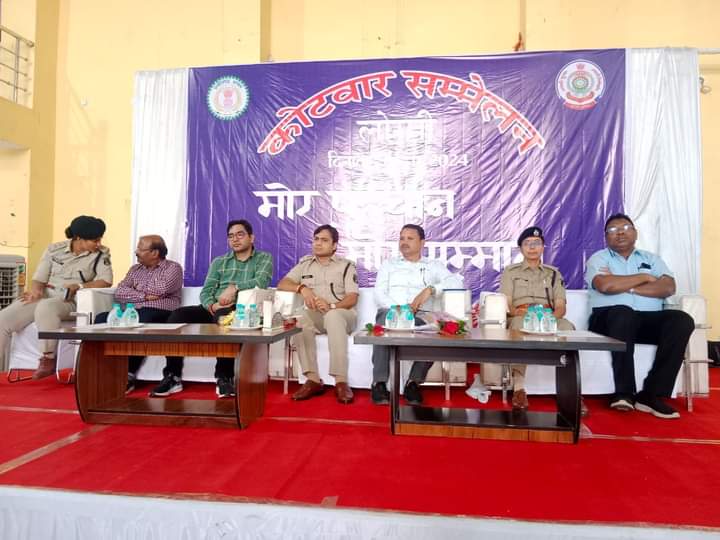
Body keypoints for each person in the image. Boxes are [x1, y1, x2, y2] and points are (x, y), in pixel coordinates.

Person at [585, 213, 694, 419]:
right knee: (623, 313)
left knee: (681, 320)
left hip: (645, 319)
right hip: (606, 320)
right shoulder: (599, 258)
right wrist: (644, 277)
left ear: (635, 233)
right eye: (613, 230)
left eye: (625, 228)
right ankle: (624, 393)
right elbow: (606, 285)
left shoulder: (651, 259)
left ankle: (651, 395)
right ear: (606, 237)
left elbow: (668, 287)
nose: (620, 233)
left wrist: (627, 286)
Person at [149, 219, 273, 399]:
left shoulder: (264, 258)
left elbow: (261, 282)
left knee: (224, 318)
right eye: (231, 236)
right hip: (214, 307)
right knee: (177, 316)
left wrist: (234, 288)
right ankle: (172, 376)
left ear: (251, 238)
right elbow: (206, 291)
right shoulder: (219, 262)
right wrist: (212, 305)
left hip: (242, 310)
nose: (235, 239)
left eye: (240, 235)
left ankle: (224, 377)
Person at [0, 215, 112, 378]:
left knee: (47, 307)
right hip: (45, 296)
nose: (98, 243)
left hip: (70, 301)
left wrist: (79, 286)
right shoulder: (54, 250)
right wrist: (36, 291)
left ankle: (48, 358)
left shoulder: (101, 254)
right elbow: (39, 278)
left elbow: (106, 281)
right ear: (78, 238)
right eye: (94, 240)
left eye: (100, 239)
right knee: (4, 318)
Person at [371, 224, 463, 405]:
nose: (404, 242)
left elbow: (456, 283)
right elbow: (379, 294)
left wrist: (431, 289)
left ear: (422, 243)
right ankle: (379, 383)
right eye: (401, 238)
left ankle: (413, 383)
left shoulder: (433, 266)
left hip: (421, 316)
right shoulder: (389, 265)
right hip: (392, 312)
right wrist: (400, 309)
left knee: (438, 331)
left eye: (410, 238)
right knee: (382, 323)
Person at [277, 225, 359, 404]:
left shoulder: (346, 266)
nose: (318, 243)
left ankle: (341, 381)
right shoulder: (304, 265)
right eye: (316, 239)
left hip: (343, 315)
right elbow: (283, 284)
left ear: (334, 245)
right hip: (317, 316)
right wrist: (302, 288)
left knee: (333, 316)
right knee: (300, 318)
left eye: (324, 240)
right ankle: (313, 379)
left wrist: (332, 305)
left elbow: (352, 298)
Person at [500, 226, 576, 411]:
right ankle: (519, 389)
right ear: (521, 248)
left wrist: (547, 318)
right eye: (527, 243)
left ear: (543, 247)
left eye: (536, 243)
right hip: (522, 315)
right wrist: (518, 313)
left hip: (548, 316)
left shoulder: (553, 273)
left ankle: (572, 391)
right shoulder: (511, 272)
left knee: (568, 327)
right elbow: (507, 304)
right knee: (518, 326)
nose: (532, 247)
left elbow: (561, 307)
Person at [94, 235, 182, 393]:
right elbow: (120, 291)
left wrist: (135, 289)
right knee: (101, 319)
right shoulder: (135, 269)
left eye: (141, 249)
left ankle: (128, 374)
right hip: (132, 310)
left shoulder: (172, 268)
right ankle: (102, 371)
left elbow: (161, 290)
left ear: (154, 253)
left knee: (141, 320)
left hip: (161, 312)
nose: (136, 252)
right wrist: (144, 296)